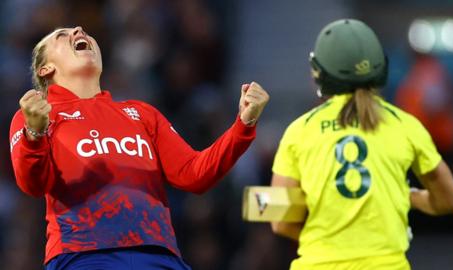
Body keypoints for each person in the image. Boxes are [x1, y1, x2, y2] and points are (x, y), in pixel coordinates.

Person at [9, 26, 269, 269]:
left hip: (159, 254)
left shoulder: (142, 113)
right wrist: (34, 133)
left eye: (81, 31)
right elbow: (32, 184)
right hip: (85, 255)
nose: (78, 31)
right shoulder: (36, 117)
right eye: (61, 35)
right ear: (46, 69)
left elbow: (193, 173)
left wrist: (243, 125)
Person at [269, 19, 453, 270]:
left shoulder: (298, 131)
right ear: (379, 66)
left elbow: (279, 220)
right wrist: (408, 196)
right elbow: (451, 202)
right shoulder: (406, 125)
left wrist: (331, 240)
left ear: (320, 72)